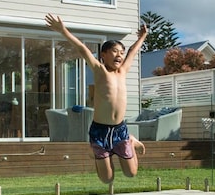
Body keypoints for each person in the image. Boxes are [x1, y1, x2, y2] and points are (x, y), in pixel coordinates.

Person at [44, 13, 148, 184]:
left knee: (131, 173)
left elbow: (133, 51)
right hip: (99, 131)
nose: (119, 55)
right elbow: (82, 49)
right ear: (103, 55)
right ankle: (98, 153)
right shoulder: (100, 71)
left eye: (121, 52)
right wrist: (63, 31)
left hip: (120, 131)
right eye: (114, 51)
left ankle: (130, 140)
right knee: (107, 179)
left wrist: (142, 37)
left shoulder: (123, 71)